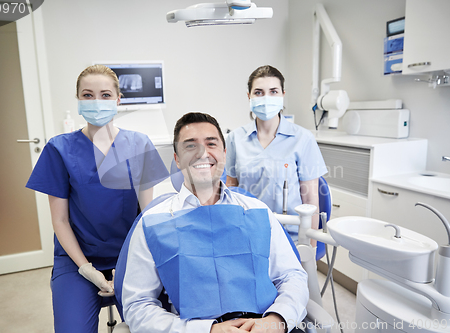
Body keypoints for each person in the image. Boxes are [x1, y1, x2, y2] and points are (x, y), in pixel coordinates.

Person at [121, 112, 309, 333]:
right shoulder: (154, 222)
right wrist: (207, 330)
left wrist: (277, 320)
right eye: (190, 146)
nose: (203, 153)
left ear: (224, 153)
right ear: (177, 159)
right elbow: (137, 305)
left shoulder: (257, 211)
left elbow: (291, 276)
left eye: (211, 144)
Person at [26, 64, 169, 333]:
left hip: (129, 254)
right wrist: (87, 269)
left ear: (118, 100)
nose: (96, 102)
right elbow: (60, 221)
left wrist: (133, 262)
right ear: (79, 100)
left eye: (105, 95)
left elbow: (146, 215)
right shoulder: (59, 148)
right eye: (87, 95)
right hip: (77, 259)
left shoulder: (139, 144)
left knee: (154, 325)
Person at [225, 65, 327, 246]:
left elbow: (311, 199)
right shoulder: (235, 139)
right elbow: (231, 190)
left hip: (292, 235)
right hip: (248, 233)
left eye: (273, 91)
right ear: (248, 96)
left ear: (282, 95)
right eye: (258, 92)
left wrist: (309, 247)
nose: (266, 98)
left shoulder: (302, 139)